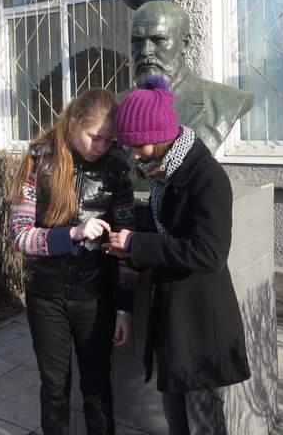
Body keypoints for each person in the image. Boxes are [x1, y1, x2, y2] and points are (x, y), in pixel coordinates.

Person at [105, 76, 250, 435]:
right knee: (176, 418)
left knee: (203, 422)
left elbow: (210, 252)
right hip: (172, 319)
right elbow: (163, 229)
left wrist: (137, 244)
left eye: (137, 145)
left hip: (199, 323)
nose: (133, 154)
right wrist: (127, 243)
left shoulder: (207, 177)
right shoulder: (164, 174)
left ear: (157, 136)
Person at [9, 88, 137, 435]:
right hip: (46, 295)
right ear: (74, 122)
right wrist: (72, 234)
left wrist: (124, 307)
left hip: (95, 296)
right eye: (95, 137)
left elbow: (127, 244)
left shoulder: (117, 168)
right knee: (54, 387)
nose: (101, 146)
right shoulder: (38, 160)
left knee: (97, 387)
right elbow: (20, 234)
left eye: (109, 140)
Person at [129, 0, 254, 154]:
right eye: (137, 41)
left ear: (185, 44)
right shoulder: (115, 107)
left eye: (159, 40)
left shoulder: (227, 102)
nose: (145, 51)